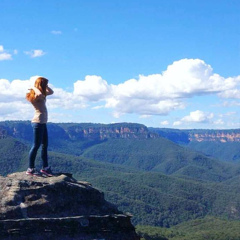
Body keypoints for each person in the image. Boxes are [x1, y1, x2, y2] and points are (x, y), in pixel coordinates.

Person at [26, 77, 54, 176]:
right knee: (36, 145)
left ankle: (45, 168)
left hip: (42, 123)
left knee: (44, 145)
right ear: (40, 85)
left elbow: (51, 92)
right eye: (45, 84)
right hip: (38, 122)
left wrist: (46, 85)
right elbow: (39, 94)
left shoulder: (42, 94)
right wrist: (34, 87)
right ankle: (30, 168)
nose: (46, 86)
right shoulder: (35, 95)